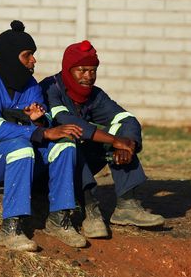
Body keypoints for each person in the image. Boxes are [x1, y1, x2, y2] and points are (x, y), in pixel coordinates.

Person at [0, 21, 87, 251]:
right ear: (9, 56)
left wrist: (38, 122)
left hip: (18, 155)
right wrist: (42, 131)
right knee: (22, 147)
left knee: (65, 145)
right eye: (27, 55)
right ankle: (11, 229)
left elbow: (39, 124)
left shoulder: (30, 85)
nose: (33, 60)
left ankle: (59, 219)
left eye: (33, 55)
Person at [40, 40, 165, 238]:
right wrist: (114, 140)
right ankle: (91, 209)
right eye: (81, 70)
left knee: (122, 134)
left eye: (93, 70)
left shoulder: (94, 95)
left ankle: (127, 204)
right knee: (70, 143)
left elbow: (126, 118)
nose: (88, 77)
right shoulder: (50, 89)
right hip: (51, 166)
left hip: (79, 158)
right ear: (68, 69)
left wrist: (126, 143)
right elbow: (66, 121)